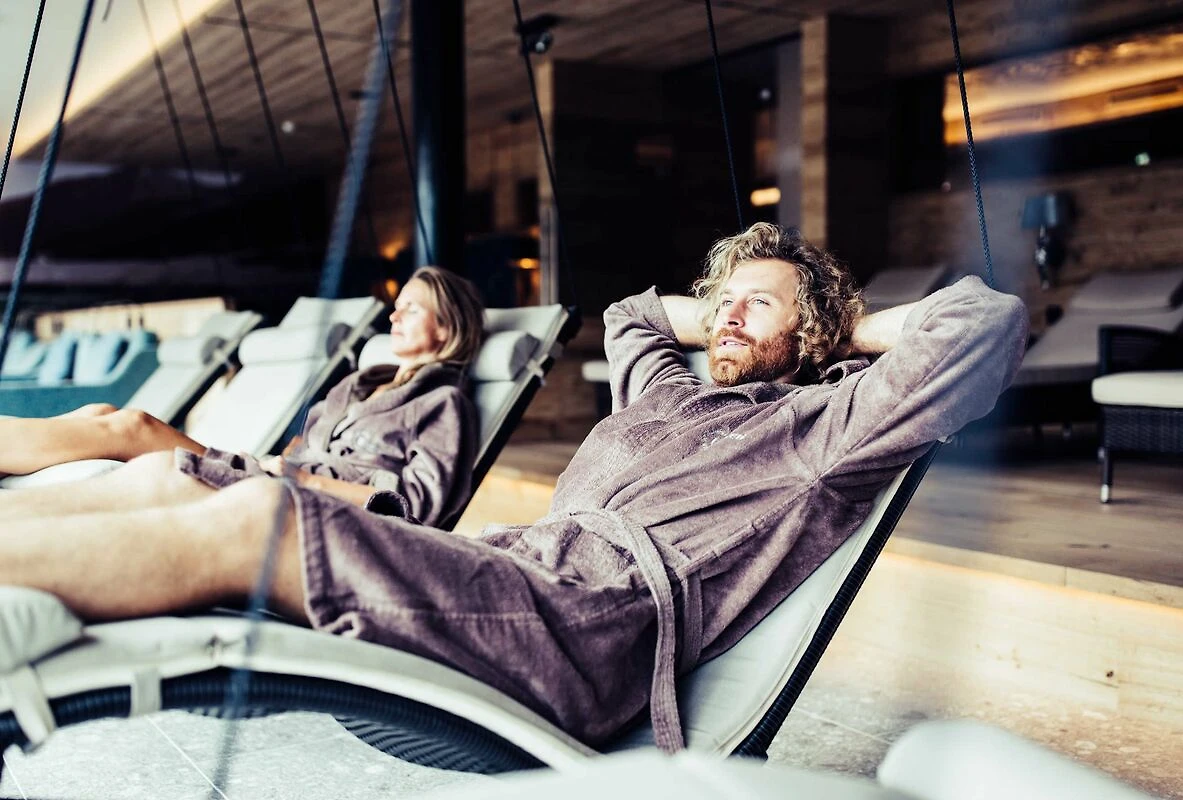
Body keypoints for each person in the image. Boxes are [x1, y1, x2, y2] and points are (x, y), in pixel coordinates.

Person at [0, 224, 1028, 751]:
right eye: (722, 300)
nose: (724, 316)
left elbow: (985, 324)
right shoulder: (665, 390)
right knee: (171, 472)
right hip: (517, 572)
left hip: (592, 621)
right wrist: (741, 300)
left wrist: (833, 328)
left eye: (757, 307)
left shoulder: (823, 428)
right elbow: (630, 315)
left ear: (813, 334)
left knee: (258, 518)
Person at [0, 265, 484, 527]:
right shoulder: (359, 384)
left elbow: (419, 505)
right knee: (100, 411)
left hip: (306, 502)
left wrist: (306, 481)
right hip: (276, 475)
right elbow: (301, 444)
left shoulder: (444, 404)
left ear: (447, 327)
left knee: (133, 427)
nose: (394, 316)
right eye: (396, 306)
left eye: (411, 309)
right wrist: (285, 462)